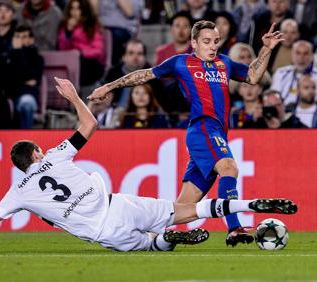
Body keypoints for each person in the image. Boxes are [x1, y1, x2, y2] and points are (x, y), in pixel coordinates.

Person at [0, 78, 298, 253]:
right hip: (120, 202)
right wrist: (72, 97)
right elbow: (90, 125)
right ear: (36, 154)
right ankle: (248, 205)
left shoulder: (17, 191)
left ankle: (167, 240)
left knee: (155, 247)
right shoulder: (55, 155)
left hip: (104, 230)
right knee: (188, 209)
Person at [88, 20, 284, 247]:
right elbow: (144, 75)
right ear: (194, 43)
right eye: (206, 42)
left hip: (216, 132)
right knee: (229, 168)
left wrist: (267, 49)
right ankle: (234, 227)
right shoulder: (182, 63)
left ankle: (133, 234)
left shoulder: (225, 63)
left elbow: (252, 75)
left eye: (216, 42)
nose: (212, 47)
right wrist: (108, 87)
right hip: (202, 128)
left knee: (183, 207)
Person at [58, 0, 105, 86]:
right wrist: (68, 32)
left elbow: (98, 51)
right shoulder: (65, 26)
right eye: (72, 8)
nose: (74, 12)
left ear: (84, 10)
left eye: (78, 8)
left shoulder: (92, 25)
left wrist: (81, 53)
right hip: (71, 61)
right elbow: (62, 49)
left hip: (88, 61)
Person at [270, 40, 317, 107]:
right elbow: (273, 98)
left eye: (306, 53)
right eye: (298, 53)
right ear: (292, 55)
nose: (301, 58)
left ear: (312, 56)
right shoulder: (280, 73)